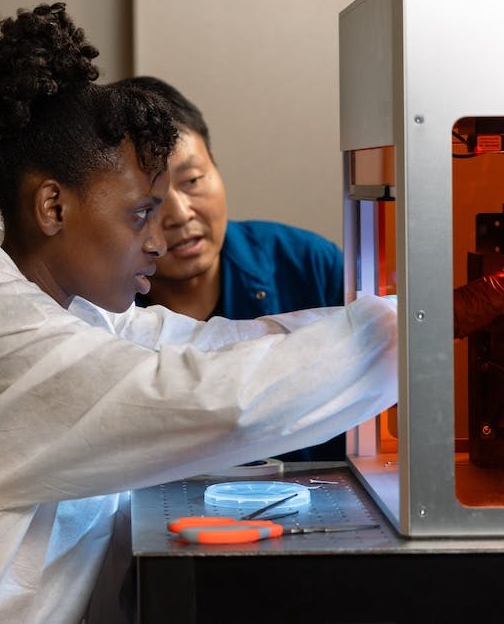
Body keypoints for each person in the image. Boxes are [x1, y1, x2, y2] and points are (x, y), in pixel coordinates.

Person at [0, 2, 504, 623]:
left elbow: (207, 351)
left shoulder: (59, 304)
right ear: (53, 206)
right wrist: (431, 325)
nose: (161, 233)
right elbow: (208, 400)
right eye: (138, 213)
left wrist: (434, 312)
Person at [118, 75, 345, 462]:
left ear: (216, 166)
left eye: (191, 180)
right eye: (148, 200)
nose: (179, 214)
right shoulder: (101, 306)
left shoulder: (309, 265)